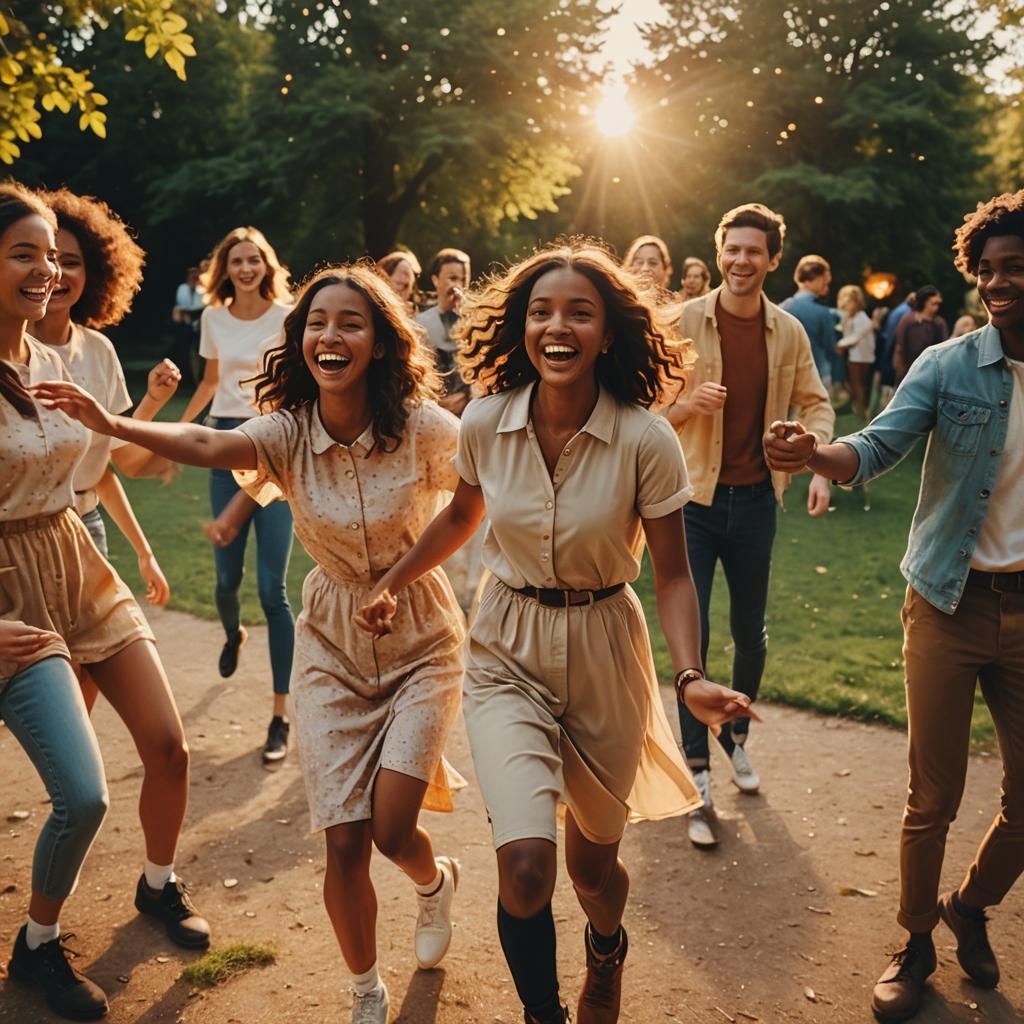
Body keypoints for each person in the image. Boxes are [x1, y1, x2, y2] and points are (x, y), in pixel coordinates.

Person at [35, 264, 467, 1024]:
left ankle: (434, 885)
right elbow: (204, 440)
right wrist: (114, 425)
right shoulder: (286, 432)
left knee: (395, 830)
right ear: (300, 340)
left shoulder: (426, 426)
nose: (331, 336)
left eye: (351, 323)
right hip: (332, 644)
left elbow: (468, 508)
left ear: (381, 342)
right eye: (317, 324)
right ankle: (366, 991)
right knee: (343, 842)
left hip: (421, 640)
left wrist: (396, 580)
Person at [356, 240, 758, 1024]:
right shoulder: (485, 422)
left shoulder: (647, 438)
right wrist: (392, 581)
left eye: (579, 311)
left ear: (607, 333)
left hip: (607, 648)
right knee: (530, 867)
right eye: (541, 311)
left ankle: (606, 951)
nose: (557, 326)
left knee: (592, 870)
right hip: (507, 646)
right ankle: (547, 1015)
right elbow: (465, 515)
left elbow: (673, 575)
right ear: (521, 327)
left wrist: (690, 676)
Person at [763, 188, 1024, 1022]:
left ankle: (970, 907)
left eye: (1013, 267)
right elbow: (874, 448)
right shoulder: (949, 364)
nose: (997, 283)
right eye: (986, 270)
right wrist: (816, 454)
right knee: (932, 796)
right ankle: (915, 941)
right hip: (948, 602)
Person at [1, 183, 209, 1022]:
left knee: (169, 747)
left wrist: (128, 423)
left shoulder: (53, 365)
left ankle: (158, 887)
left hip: (77, 564)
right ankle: (38, 946)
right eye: (26, 253)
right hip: (12, 596)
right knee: (83, 796)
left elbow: (98, 473)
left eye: (52, 254)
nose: (48, 269)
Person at [661, 203, 834, 848]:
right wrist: (685, 406)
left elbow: (818, 403)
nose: (740, 261)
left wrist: (813, 456)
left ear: (772, 260)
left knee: (750, 635)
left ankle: (735, 735)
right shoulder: (680, 321)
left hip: (758, 500)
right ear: (719, 250)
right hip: (690, 503)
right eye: (731, 249)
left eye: (752, 252)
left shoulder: (787, 331)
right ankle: (697, 778)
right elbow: (641, 408)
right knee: (694, 643)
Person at [32, 188, 178, 619]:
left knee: (96, 657)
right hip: (24, 535)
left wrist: (144, 552)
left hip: (88, 527)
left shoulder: (98, 351)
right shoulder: (10, 351)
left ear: (93, 273)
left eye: (70, 262)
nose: (55, 272)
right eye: (44, 258)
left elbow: (108, 465)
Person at [178, 226, 296, 763]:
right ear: (224, 269)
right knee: (228, 580)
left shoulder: (287, 317)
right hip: (224, 443)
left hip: (271, 447)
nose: (246, 268)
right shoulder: (213, 319)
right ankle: (232, 634)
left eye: (254, 260)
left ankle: (279, 716)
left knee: (274, 591)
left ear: (266, 265)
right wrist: (177, 435)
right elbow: (208, 383)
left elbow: (298, 385)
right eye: (237, 261)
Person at [415, 247, 472, 416]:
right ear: (435, 280)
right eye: (453, 278)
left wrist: (467, 396)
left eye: (464, 280)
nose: (459, 286)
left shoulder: (477, 322)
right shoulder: (420, 324)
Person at [779, 254, 835, 389]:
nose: (826, 286)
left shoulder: (780, 308)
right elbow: (830, 347)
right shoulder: (823, 312)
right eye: (824, 281)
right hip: (817, 376)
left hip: (786, 378)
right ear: (813, 279)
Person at [835, 284, 875, 420]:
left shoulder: (861, 318)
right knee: (856, 384)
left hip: (860, 357)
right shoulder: (852, 317)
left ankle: (862, 412)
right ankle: (857, 408)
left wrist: (839, 345)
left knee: (857, 385)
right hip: (857, 356)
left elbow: (855, 337)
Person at [892, 285, 948, 383]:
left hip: (930, 371)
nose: (936, 308)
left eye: (938, 304)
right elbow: (900, 346)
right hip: (908, 368)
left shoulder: (939, 323)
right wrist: (901, 369)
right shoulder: (909, 319)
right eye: (933, 304)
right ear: (924, 302)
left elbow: (943, 348)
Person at [171, 266, 207, 387]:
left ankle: (198, 380)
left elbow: (199, 307)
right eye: (191, 276)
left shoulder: (202, 290)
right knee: (184, 353)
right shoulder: (183, 288)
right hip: (186, 326)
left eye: (196, 276)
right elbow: (182, 305)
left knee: (200, 354)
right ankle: (187, 381)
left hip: (199, 326)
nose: (193, 278)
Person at [378, 249, 423, 314]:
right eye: (399, 284)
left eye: (406, 286)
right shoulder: (375, 309)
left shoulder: (413, 311)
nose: (401, 290)